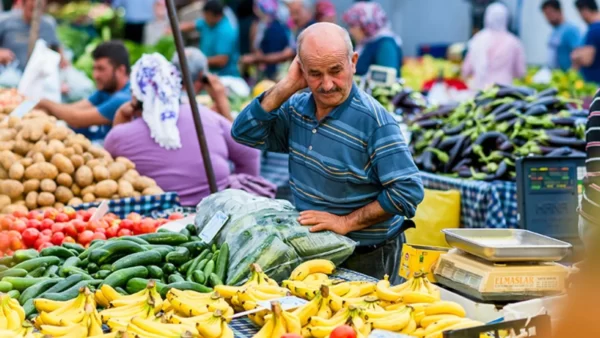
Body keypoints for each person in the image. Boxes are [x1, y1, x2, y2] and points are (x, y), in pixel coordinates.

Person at [231, 22, 424, 283]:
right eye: (315, 73)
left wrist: (346, 222)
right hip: (314, 253)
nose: (327, 84)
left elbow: (408, 192)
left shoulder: (375, 122)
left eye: (336, 71)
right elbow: (244, 132)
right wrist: (288, 85)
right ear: (301, 69)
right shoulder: (297, 109)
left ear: (353, 62)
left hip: (368, 258)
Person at [104, 53, 263, 206]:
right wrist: (244, 197)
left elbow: (110, 172)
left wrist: (121, 115)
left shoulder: (118, 136)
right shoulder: (203, 115)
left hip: (155, 221)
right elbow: (250, 151)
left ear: (135, 93)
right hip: (215, 211)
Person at [36, 41, 131, 141]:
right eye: (94, 69)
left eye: (101, 69)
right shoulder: (105, 91)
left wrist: (44, 103)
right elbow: (73, 109)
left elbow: (76, 119)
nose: (95, 75)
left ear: (121, 70)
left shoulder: (124, 99)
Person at [461, 2, 526, 90]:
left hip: (480, 91)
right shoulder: (513, 42)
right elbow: (520, 72)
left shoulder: (477, 39)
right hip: (503, 91)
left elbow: (466, 70)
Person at [179, 0, 240, 77]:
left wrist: (196, 60)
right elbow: (190, 25)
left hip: (225, 76)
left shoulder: (226, 31)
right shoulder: (207, 23)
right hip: (208, 73)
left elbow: (222, 60)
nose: (204, 17)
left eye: (206, 15)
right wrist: (171, 30)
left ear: (217, 16)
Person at [0, 0, 66, 70]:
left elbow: (57, 49)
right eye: (32, 1)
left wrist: (62, 62)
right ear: (23, 3)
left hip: (38, 75)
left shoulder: (48, 25)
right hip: (9, 74)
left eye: (40, 3)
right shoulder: (5, 20)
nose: (35, 4)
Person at [171, 47, 233, 121]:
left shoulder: (167, 101)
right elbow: (232, 130)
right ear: (201, 75)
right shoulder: (197, 112)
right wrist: (221, 99)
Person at [342, 2, 403, 77]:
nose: (350, 31)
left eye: (352, 26)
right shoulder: (364, 44)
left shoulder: (386, 44)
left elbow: (386, 80)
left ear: (366, 24)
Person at [240, 0, 295, 80]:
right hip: (264, 72)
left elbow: (283, 55)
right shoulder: (259, 25)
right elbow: (255, 48)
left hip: (278, 74)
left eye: (256, 6)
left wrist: (256, 59)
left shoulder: (276, 27)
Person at [541, 0, 581, 71]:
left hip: (566, 77)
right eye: (545, 14)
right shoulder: (554, 32)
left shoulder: (570, 30)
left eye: (550, 13)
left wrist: (572, 74)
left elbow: (578, 54)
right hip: (554, 74)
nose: (548, 17)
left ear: (560, 11)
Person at [573, 0, 600, 83]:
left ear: (585, 10)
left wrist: (576, 55)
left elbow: (587, 60)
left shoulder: (594, 29)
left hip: (595, 83)